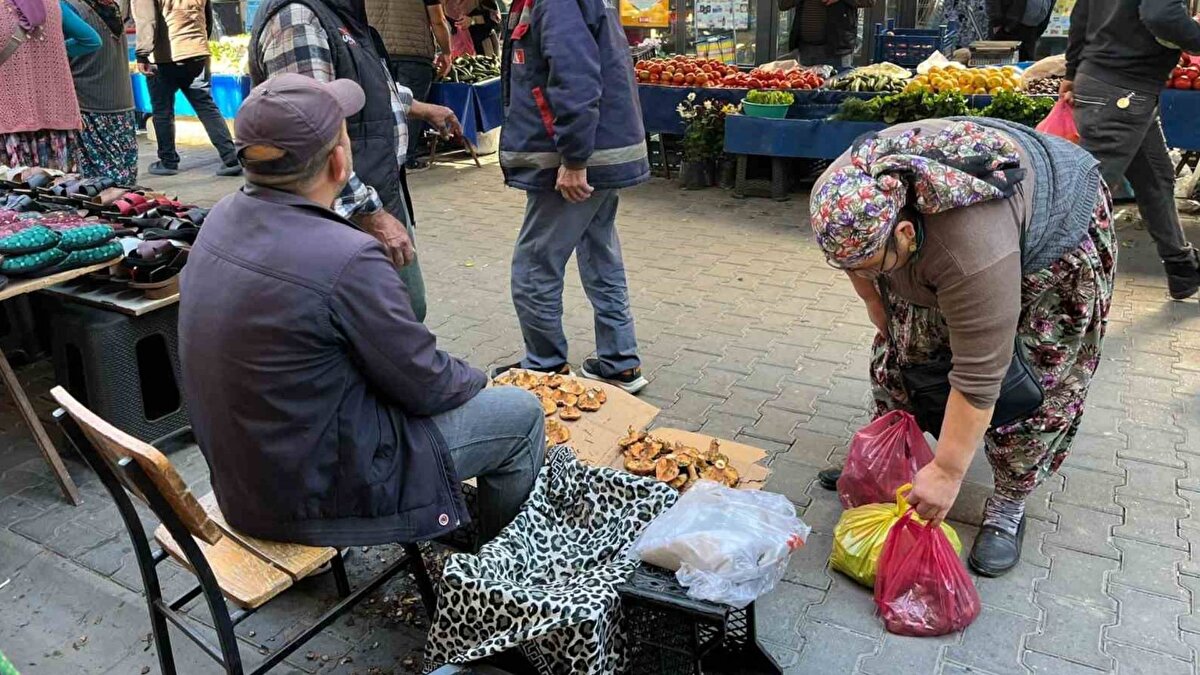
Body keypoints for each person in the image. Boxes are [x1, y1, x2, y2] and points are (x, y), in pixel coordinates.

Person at [179, 74, 545, 546]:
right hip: (314, 498)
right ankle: (501, 567)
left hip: (247, 482)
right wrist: (480, 381)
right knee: (519, 414)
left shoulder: (220, 217)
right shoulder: (347, 256)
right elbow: (428, 384)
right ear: (339, 162)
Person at [809, 119, 1116, 577]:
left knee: (1031, 384)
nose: (862, 274)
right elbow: (858, 264)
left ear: (905, 232)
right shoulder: (845, 195)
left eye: (873, 265)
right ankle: (892, 459)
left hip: (1056, 229)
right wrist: (878, 304)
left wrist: (949, 471)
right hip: (939, 238)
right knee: (903, 352)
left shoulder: (970, 251)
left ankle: (1009, 503)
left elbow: (980, 373)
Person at [248, 0, 463, 323]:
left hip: (375, 187)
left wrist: (420, 107)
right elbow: (310, 137)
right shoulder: (299, 19)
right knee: (391, 318)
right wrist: (371, 214)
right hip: (346, 209)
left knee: (401, 312)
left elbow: (370, 84)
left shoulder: (342, 14)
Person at [493, 0, 650, 394]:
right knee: (600, 253)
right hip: (601, 151)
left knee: (534, 263)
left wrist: (575, 160)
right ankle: (619, 362)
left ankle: (545, 367)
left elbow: (574, 77)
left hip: (579, 158)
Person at [1061, 0, 1200, 300]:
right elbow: (1161, 15)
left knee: (1156, 177)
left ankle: (1182, 267)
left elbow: (1081, 13)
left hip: (1111, 86)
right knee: (1088, 198)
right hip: (1123, 92)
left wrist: (1072, 71)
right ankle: (1038, 287)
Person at [132, 0, 240, 176]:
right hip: (197, 51)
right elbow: (208, 17)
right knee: (206, 106)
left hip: (164, 57)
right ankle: (231, 158)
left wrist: (142, 54)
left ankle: (168, 162)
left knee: (162, 111)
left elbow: (147, 20)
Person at [0, 0, 98, 170]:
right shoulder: (54, 4)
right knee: (56, 183)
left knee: (15, 184)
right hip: (56, 121)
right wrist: (55, 51)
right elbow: (91, 41)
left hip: (8, 125)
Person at [365, 0, 453, 170]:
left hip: (376, 50)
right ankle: (407, 158)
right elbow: (437, 20)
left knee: (381, 105)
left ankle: (383, 159)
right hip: (414, 53)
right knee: (412, 108)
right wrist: (447, 52)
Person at [63, 0, 138, 184]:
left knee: (98, 185)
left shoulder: (69, 7)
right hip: (121, 106)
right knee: (123, 183)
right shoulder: (111, 6)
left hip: (89, 106)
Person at [778, 0, 875, 68]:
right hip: (806, 50)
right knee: (805, 89)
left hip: (837, 50)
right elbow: (783, 4)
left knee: (836, 89)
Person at [987, 0, 1054, 61]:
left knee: (1026, 66)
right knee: (1002, 66)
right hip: (1008, 26)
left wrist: (1042, 25)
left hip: (1032, 30)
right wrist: (996, 21)